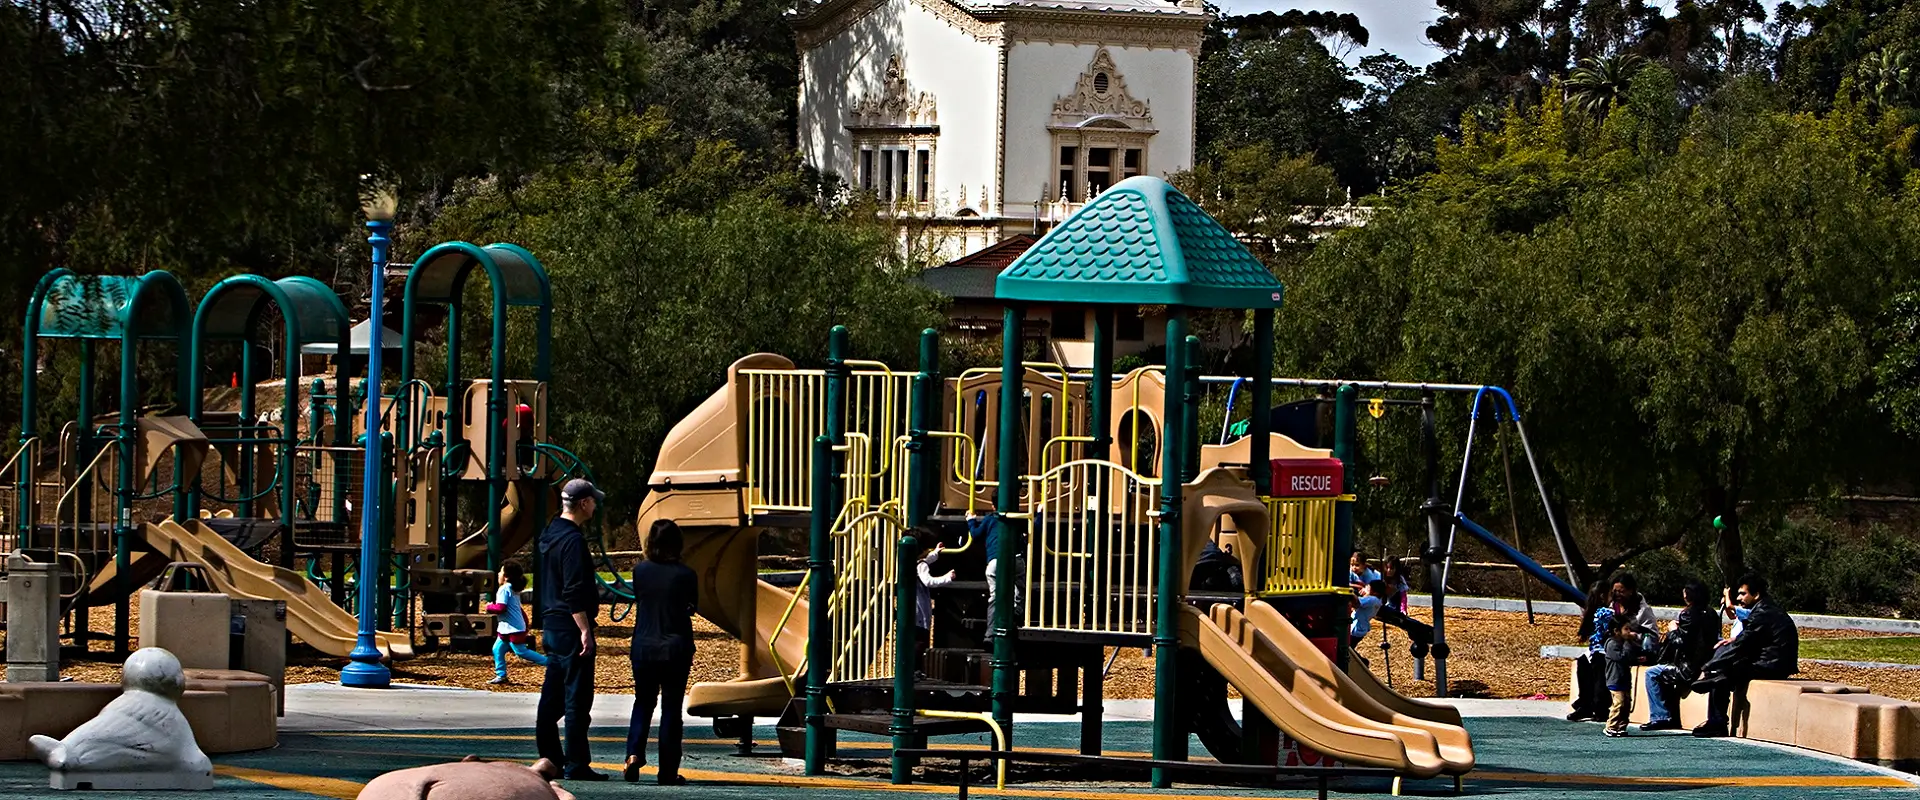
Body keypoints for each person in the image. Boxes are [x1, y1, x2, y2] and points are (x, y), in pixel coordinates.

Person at [535, 478, 606, 781]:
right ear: (583, 504)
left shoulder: (549, 533)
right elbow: (574, 589)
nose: (596, 505)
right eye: (593, 500)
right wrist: (585, 630)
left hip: (552, 623)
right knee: (577, 699)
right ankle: (577, 763)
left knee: (552, 698)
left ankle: (550, 757)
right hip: (569, 625)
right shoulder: (573, 541)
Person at [625, 520, 699, 785]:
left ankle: (633, 753)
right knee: (671, 708)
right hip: (675, 646)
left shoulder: (640, 571)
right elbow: (692, 605)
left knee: (643, 702)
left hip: (644, 644)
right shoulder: (686, 574)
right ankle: (667, 770)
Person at [1691, 574, 1798, 738]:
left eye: (1743, 594)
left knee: (1723, 672)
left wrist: (1708, 666)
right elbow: (1748, 639)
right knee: (1724, 669)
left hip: (1772, 665)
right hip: (1772, 661)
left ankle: (1717, 722)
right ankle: (1716, 718)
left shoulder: (1762, 613)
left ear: (1756, 595)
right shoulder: (1765, 609)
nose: (1739, 597)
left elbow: (1743, 645)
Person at [1641, 581, 1719, 732]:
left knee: (1652, 673)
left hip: (1687, 668)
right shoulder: (1711, 613)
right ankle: (1670, 715)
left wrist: (1672, 630)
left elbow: (1682, 642)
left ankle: (1660, 716)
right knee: (1663, 675)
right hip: (1706, 662)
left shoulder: (1687, 614)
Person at [1601, 588, 1651, 737]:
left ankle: (1621, 726)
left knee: (1626, 704)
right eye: (1626, 629)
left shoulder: (1624, 642)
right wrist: (1630, 642)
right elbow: (1622, 657)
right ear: (1617, 631)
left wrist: (1638, 656)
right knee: (1618, 703)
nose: (1629, 632)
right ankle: (1611, 726)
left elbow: (1630, 656)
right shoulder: (1611, 644)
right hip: (1615, 679)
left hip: (1624, 679)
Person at [488, 562, 548, 685]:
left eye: (501, 571)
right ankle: (501, 675)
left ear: (506, 576)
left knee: (521, 652)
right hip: (507, 627)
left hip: (513, 628)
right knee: (497, 649)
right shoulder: (512, 587)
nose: (498, 574)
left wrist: (489, 607)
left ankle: (553, 664)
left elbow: (501, 608)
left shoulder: (504, 589)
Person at [970, 511, 1021, 637]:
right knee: (1019, 590)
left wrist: (971, 521)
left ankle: (991, 633)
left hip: (994, 561)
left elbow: (975, 535)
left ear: (993, 505)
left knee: (994, 596)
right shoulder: (1019, 517)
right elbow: (1036, 528)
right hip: (1015, 558)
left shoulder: (990, 518)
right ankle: (1015, 616)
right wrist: (1040, 514)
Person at [913, 531, 955, 661]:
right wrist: (947, 578)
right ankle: (916, 670)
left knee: (912, 641)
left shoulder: (908, 560)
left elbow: (925, 561)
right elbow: (929, 581)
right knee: (920, 642)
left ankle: (911, 669)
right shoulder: (921, 565)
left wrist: (936, 552)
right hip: (919, 611)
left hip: (911, 609)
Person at [1350, 580, 1386, 646]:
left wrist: (1350, 592)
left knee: (1347, 647)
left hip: (1355, 628)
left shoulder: (1372, 599)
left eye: (1368, 587)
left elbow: (1356, 603)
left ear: (1375, 592)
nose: (1365, 588)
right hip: (1361, 629)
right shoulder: (1378, 601)